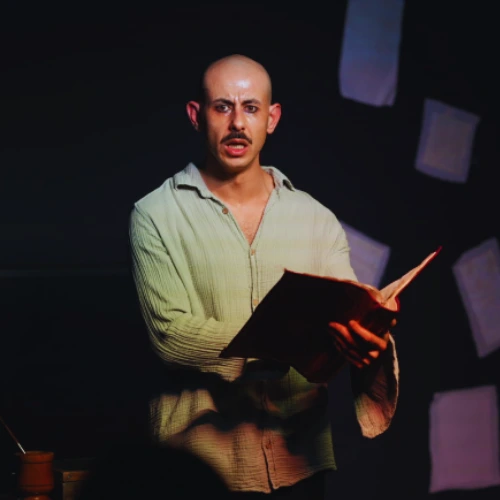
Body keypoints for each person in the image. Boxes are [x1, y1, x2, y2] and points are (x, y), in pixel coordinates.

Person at [128, 54, 399, 498]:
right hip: (198, 468)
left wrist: (368, 336)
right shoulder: (155, 214)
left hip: (300, 461)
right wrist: (283, 344)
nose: (237, 123)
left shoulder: (316, 219)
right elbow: (170, 336)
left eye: (251, 108)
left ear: (271, 119)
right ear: (196, 116)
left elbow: (344, 315)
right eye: (223, 107)